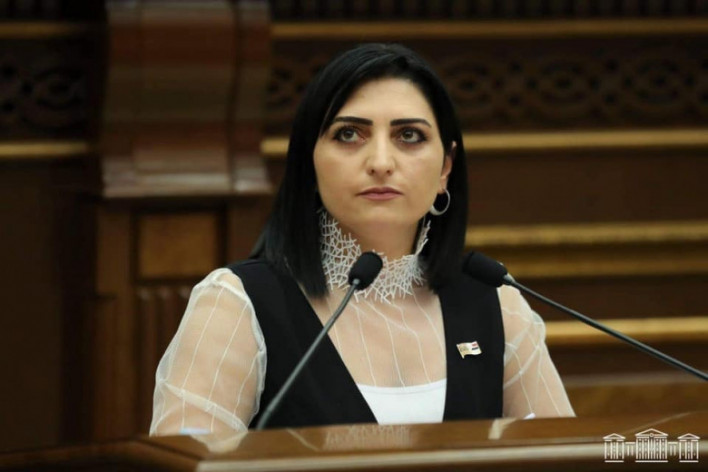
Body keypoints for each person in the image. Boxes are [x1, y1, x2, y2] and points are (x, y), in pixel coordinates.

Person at [150, 43, 574, 435]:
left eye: (409, 136)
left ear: (445, 168)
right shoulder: (236, 304)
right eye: (349, 134)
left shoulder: (495, 303)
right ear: (309, 161)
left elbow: (565, 456)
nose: (381, 163)